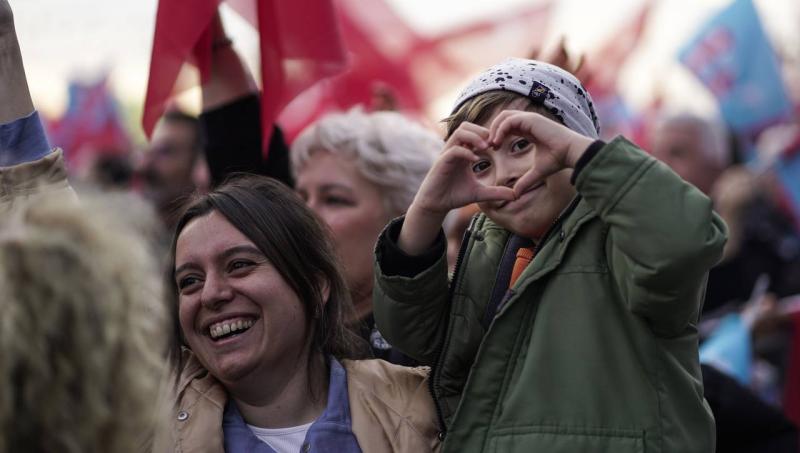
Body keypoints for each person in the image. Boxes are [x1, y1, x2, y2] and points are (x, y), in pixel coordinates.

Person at [373, 58, 727, 452]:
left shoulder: (620, 234)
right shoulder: (489, 245)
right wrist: (426, 212)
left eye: (522, 144)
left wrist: (581, 152)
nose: (504, 174)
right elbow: (413, 335)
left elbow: (682, 244)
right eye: (481, 164)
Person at [156, 175, 440, 452]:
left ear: (316, 286)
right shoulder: (143, 430)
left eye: (239, 265)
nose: (211, 294)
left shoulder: (426, 407)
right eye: (190, 281)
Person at [291, 108, 439, 363]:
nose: (304, 216)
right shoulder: (277, 330)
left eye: (334, 199)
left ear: (404, 221)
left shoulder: (440, 342)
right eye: (301, 197)